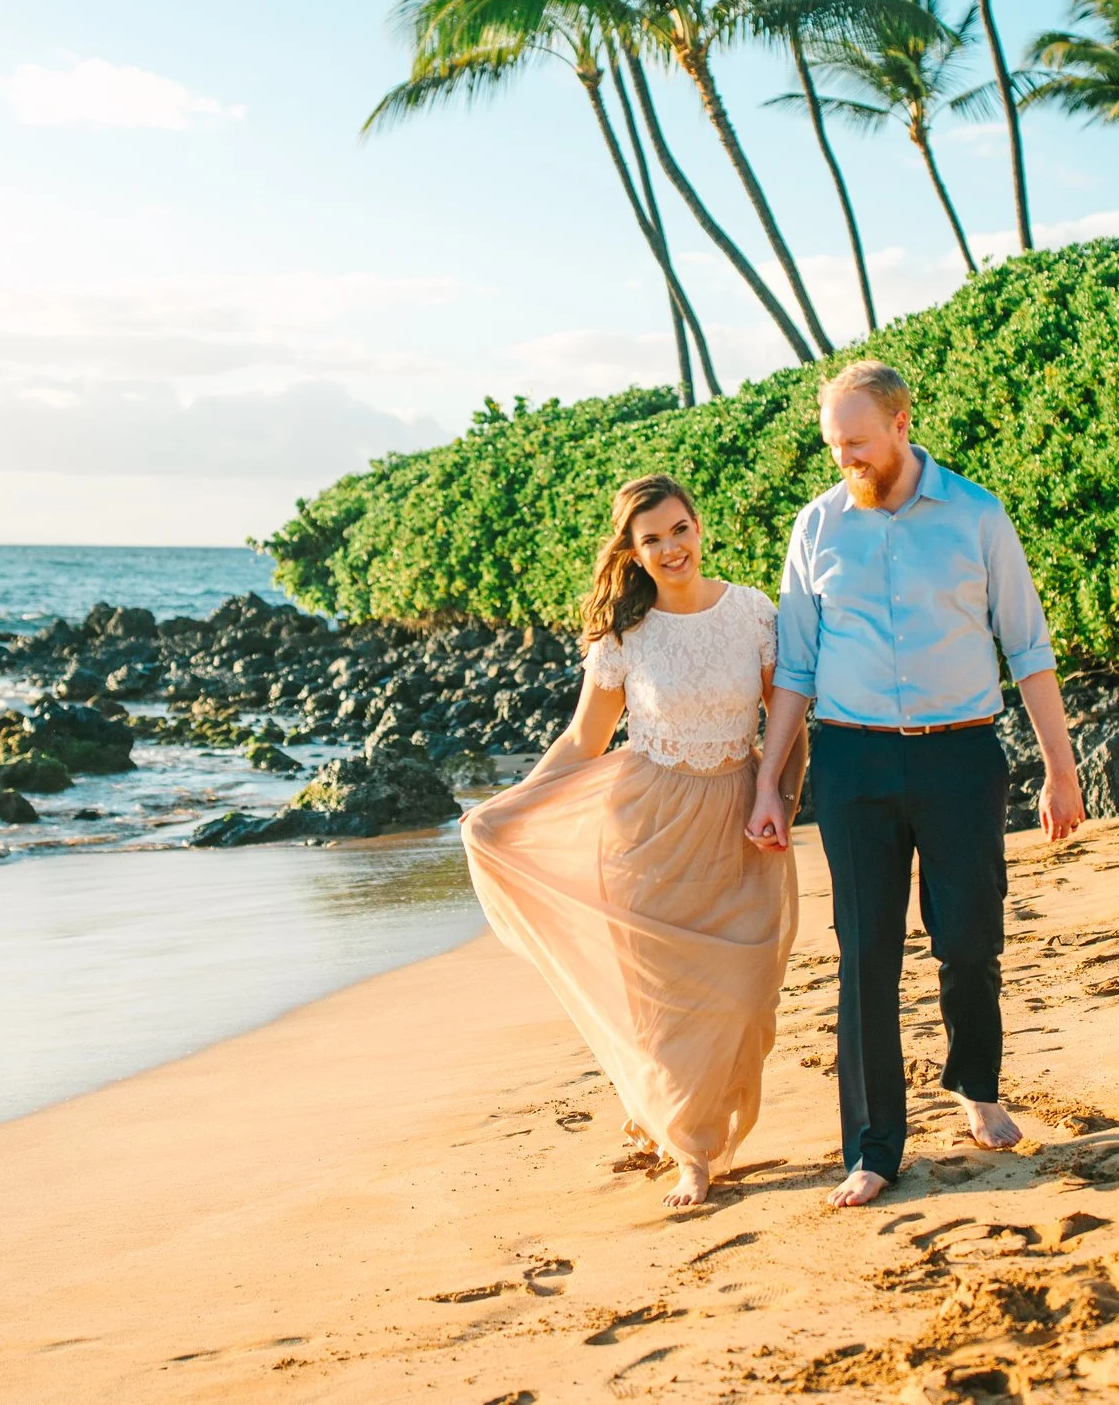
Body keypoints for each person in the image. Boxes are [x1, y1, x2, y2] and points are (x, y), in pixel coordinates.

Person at [746, 360, 1084, 1209]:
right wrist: (766, 785)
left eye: (856, 442)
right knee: (864, 955)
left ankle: (975, 1082)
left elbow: (1029, 648)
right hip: (852, 759)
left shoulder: (976, 515)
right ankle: (873, 1146)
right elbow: (795, 667)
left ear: (901, 425)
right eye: (833, 446)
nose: (844, 460)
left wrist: (1061, 767)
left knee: (968, 941)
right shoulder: (817, 526)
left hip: (960, 756)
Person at [461, 473, 799, 1210]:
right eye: (653, 539)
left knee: (743, 996)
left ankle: (680, 1119)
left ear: (698, 525)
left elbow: (786, 713)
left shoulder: (752, 612)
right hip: (645, 830)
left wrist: (776, 792)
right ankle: (693, 1151)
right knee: (664, 1002)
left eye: (680, 528)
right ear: (634, 551)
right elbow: (585, 739)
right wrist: (511, 806)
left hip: (738, 823)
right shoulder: (624, 637)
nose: (672, 547)